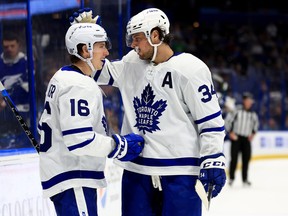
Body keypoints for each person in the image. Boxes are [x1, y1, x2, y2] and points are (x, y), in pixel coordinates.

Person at [70, 8, 226, 216]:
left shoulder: (191, 69)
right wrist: (81, 37)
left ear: (155, 35)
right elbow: (93, 69)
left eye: (137, 38)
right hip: (137, 173)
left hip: (180, 174)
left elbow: (210, 120)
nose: (133, 44)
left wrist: (213, 157)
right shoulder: (131, 63)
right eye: (132, 39)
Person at [37, 22, 145, 216]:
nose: (106, 53)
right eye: (101, 46)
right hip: (74, 178)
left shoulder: (64, 76)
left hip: (70, 177)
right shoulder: (78, 85)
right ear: (84, 50)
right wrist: (119, 146)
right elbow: (79, 140)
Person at [0, 31, 30, 149]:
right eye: (6, 47)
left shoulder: (27, 62)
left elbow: (27, 89)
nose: (9, 49)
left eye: (12, 46)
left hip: (22, 106)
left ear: (19, 45)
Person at [225, 92, 259, 186]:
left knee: (246, 159)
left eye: (250, 101)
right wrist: (231, 132)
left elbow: (255, 126)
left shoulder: (253, 114)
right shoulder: (236, 111)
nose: (250, 103)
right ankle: (231, 178)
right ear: (244, 101)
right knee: (234, 159)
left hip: (246, 140)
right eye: (248, 101)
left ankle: (245, 179)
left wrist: (253, 134)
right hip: (236, 138)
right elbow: (227, 121)